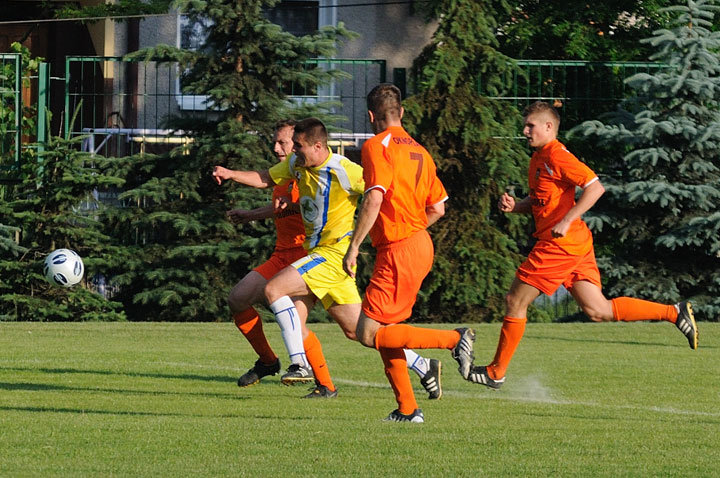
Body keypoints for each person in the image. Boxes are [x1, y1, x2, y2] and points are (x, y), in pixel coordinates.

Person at [467, 101, 698, 390]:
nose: (525, 130)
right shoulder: (538, 158)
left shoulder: (557, 155)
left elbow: (595, 187)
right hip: (573, 243)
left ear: (549, 127)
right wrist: (517, 206)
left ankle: (496, 371)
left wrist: (567, 219)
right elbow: (543, 204)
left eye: (530, 125)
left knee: (515, 301)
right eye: (525, 125)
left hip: (559, 245)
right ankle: (673, 313)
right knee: (598, 310)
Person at [214, 117, 440, 399]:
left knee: (274, 290)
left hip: (333, 254)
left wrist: (401, 223)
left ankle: (299, 365)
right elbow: (265, 178)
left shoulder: (345, 170)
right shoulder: (297, 164)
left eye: (295, 145)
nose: (290, 151)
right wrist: (231, 173)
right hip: (322, 257)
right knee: (359, 331)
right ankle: (423, 365)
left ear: (318, 146)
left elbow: (379, 193)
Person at [343, 84, 475, 423]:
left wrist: (355, 245)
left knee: (368, 333)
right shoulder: (420, 150)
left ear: (371, 116)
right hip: (418, 243)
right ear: (401, 113)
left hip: (400, 249)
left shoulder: (376, 145)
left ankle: (454, 339)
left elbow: (374, 197)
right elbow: (439, 208)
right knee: (387, 329)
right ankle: (407, 409)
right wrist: (412, 229)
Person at [225, 119, 314, 388]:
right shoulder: (286, 170)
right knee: (238, 299)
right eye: (274, 142)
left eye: (282, 142)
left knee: (351, 328)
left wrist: (293, 204)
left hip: (309, 256)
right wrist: (230, 175)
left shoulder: (313, 170)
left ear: (300, 143)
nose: (276, 147)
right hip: (282, 255)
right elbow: (267, 184)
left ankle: (324, 383)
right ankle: (267, 361)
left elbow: (317, 205)